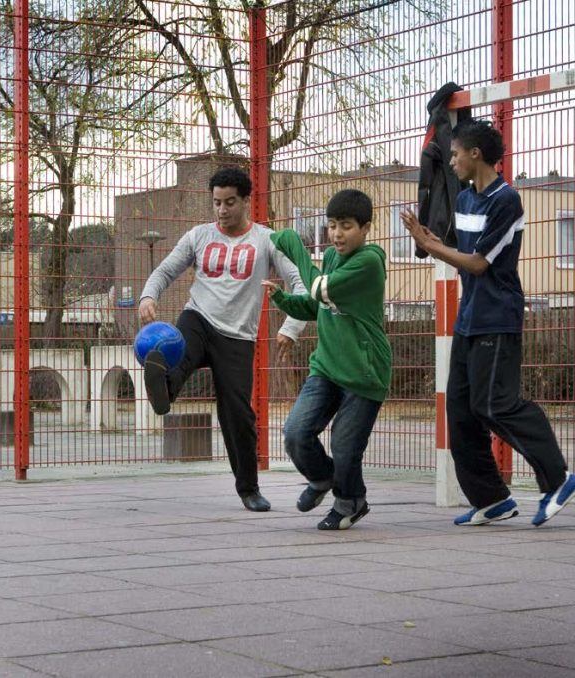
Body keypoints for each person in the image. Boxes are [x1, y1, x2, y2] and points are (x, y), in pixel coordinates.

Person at [402, 119, 574, 526]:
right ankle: (492, 498)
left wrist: (432, 247)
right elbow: (460, 252)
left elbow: (479, 263)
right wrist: (430, 240)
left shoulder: (506, 200)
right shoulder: (464, 199)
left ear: (475, 154)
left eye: (457, 153)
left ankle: (559, 478)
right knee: (460, 411)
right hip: (469, 318)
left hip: (498, 317)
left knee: (495, 404)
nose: (454, 160)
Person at [139, 166, 307, 512]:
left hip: (238, 337)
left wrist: (290, 327)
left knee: (237, 414)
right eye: (217, 202)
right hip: (198, 317)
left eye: (230, 202)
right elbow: (166, 269)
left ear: (246, 201)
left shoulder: (266, 240)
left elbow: (299, 283)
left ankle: (249, 489)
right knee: (178, 354)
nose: (222, 210)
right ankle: (163, 391)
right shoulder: (198, 236)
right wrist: (148, 296)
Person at [263, 189, 391, 530]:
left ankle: (350, 502)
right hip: (327, 367)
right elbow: (318, 304)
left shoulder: (369, 262)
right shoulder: (334, 258)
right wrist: (285, 300)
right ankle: (322, 479)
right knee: (295, 433)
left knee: (345, 448)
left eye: (346, 226)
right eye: (332, 226)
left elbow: (319, 287)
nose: (336, 234)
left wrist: (295, 248)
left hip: (364, 372)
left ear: (366, 228)